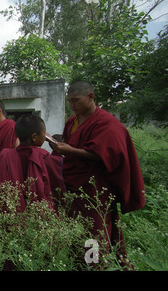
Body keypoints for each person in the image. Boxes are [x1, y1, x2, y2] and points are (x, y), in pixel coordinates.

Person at [51, 81, 145, 268]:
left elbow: (106, 155)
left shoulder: (107, 123)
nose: (72, 105)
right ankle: (78, 263)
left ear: (90, 97)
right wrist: (62, 149)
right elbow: (70, 147)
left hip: (95, 189)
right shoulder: (72, 122)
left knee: (93, 230)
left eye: (76, 100)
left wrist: (70, 151)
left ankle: (93, 265)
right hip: (74, 186)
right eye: (69, 101)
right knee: (76, 230)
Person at [0, 115, 64, 215]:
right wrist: (55, 143)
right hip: (37, 213)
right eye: (44, 133)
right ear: (34, 137)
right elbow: (63, 169)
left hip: (13, 210)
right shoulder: (43, 156)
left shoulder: (5, 155)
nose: (46, 135)